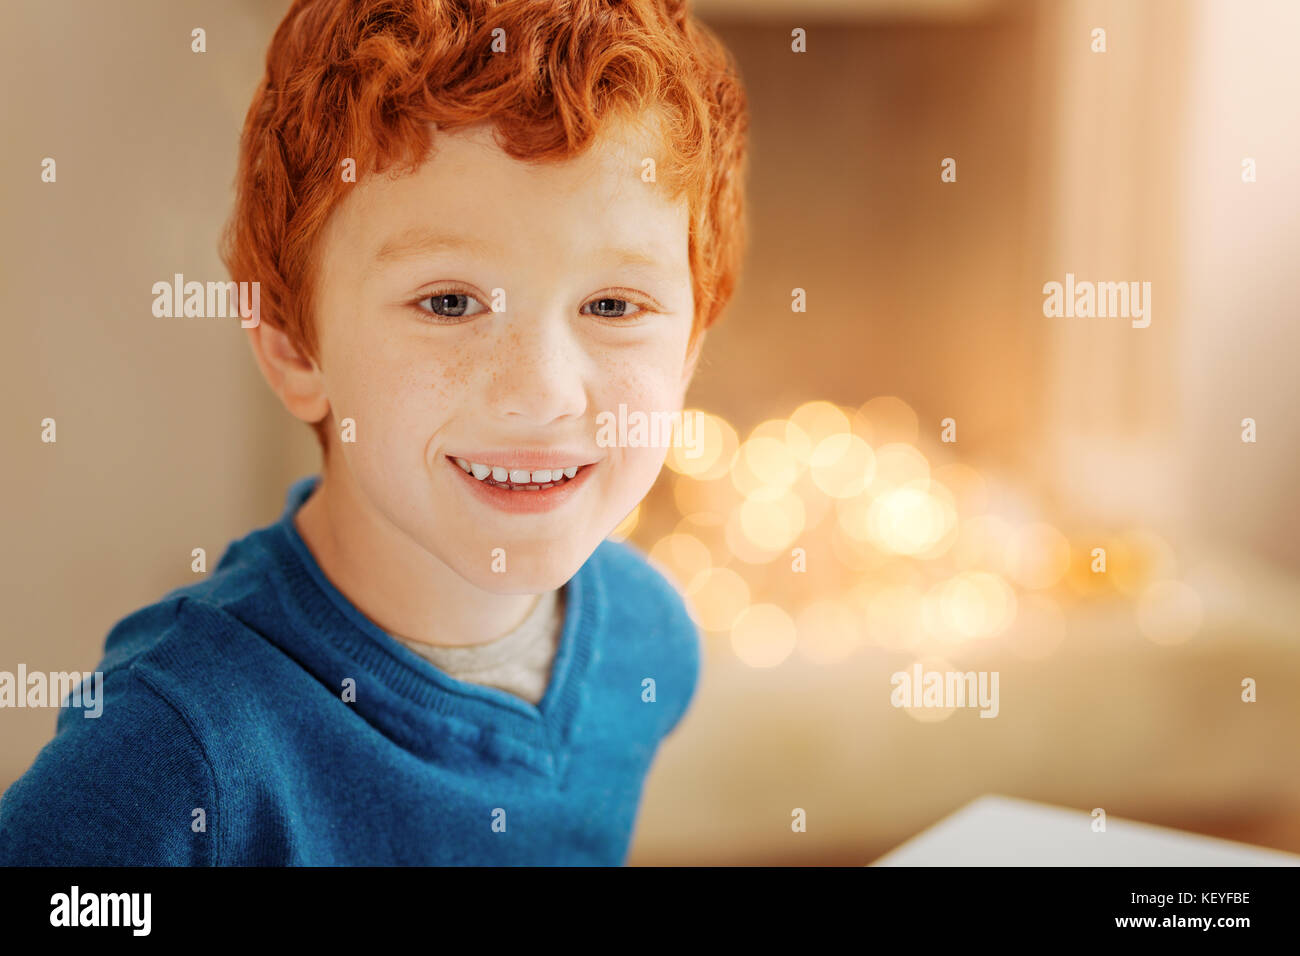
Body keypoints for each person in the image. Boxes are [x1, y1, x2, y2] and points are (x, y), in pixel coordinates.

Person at [0, 0, 748, 865]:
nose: (542, 395)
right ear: (292, 346)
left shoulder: (646, 642)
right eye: (448, 302)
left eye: (614, 305)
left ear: (691, 349)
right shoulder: (172, 750)